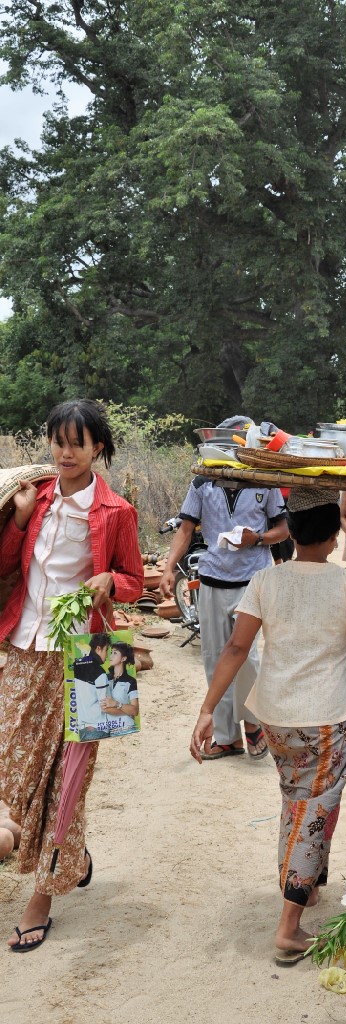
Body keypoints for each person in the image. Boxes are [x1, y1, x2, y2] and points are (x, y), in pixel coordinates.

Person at [189, 487, 346, 965]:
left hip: (275, 718)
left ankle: (307, 886)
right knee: (314, 808)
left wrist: (206, 710)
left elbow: (236, 649)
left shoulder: (266, 580)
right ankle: (288, 926)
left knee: (296, 800)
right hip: (326, 719)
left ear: (291, 533)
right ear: (335, 536)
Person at [0, 398, 143, 951]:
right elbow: (6, 566)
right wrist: (18, 520)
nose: (64, 453)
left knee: (71, 780)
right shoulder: (33, 498)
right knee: (13, 767)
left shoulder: (118, 510)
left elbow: (135, 581)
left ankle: (42, 898)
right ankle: (73, 857)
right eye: (58, 441)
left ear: (96, 447)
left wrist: (110, 580)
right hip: (27, 643)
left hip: (98, 655)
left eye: (76, 443)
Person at [160, 416, 289, 760]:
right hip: (213, 579)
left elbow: (283, 529)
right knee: (214, 657)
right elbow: (185, 529)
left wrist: (256, 538)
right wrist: (169, 567)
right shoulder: (203, 482)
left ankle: (253, 723)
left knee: (247, 656)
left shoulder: (264, 480)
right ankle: (226, 736)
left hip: (253, 579)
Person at [74, 633, 112, 741]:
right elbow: (105, 705)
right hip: (97, 727)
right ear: (98, 648)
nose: (107, 655)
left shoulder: (76, 665)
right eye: (106, 650)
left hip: (80, 728)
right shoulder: (100, 673)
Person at [99, 641, 139, 736]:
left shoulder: (130, 681)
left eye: (115, 653)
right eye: (111, 652)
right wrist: (127, 711)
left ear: (123, 658)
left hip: (126, 728)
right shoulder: (104, 678)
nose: (111, 656)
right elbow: (104, 709)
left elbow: (135, 710)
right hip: (108, 730)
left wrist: (116, 704)